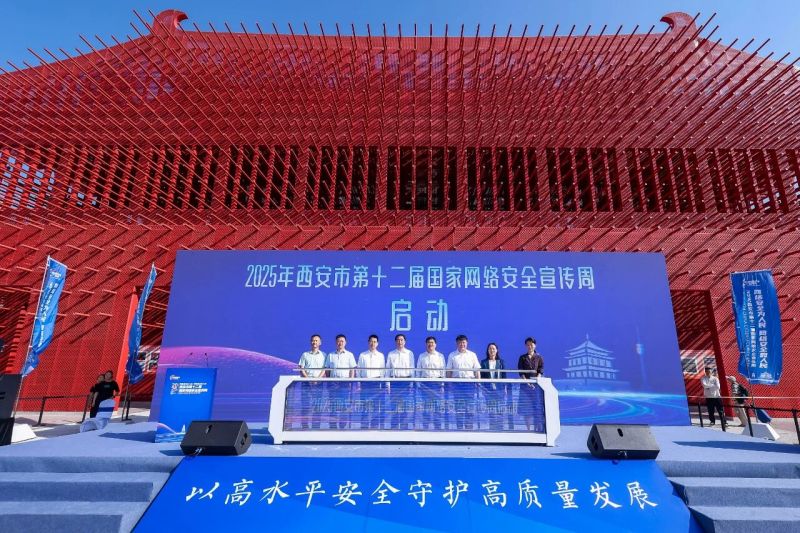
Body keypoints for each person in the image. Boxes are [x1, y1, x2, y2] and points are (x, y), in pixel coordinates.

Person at [447, 334, 480, 430]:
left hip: (469, 384)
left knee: (470, 407)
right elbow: (449, 371)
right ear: (457, 344)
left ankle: (469, 428)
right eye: (460, 342)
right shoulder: (452, 355)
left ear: (467, 343)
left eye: (463, 342)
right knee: (459, 407)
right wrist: (449, 384)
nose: (462, 344)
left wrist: (478, 382)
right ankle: (460, 428)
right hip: (457, 384)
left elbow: (477, 370)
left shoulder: (472, 355)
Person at [325, 334, 357, 429]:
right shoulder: (331, 355)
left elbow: (352, 369)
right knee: (333, 405)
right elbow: (327, 369)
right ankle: (333, 426)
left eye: (342, 341)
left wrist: (350, 381)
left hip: (344, 383)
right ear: (336, 342)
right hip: (333, 383)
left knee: (344, 405)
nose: (340, 343)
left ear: (345, 343)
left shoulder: (349, 355)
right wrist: (330, 380)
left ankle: (342, 426)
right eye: (338, 341)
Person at [387, 333, 416, 429]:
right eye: (398, 340)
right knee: (394, 406)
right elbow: (388, 370)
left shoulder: (409, 353)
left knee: (404, 407)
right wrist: (388, 384)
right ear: (395, 342)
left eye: (401, 340)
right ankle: (393, 428)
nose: (400, 342)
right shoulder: (391, 354)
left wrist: (411, 384)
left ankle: (404, 428)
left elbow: (412, 369)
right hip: (395, 382)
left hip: (406, 382)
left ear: (405, 341)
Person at [417, 336, 446, 429]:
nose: (430, 344)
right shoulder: (422, 356)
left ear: (435, 344)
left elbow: (443, 371)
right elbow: (418, 371)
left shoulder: (440, 356)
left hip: (436, 383)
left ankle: (438, 427)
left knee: (437, 406)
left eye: (432, 342)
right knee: (426, 406)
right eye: (429, 342)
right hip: (425, 383)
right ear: (426, 344)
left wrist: (442, 385)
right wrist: (418, 384)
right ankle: (425, 427)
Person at [297, 334, 326, 428]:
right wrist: (308, 379)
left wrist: (318, 379)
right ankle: (304, 426)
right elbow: (301, 368)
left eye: (316, 340)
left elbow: (324, 369)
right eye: (313, 340)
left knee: (317, 406)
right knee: (306, 405)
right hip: (306, 383)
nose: (314, 342)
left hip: (319, 383)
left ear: (320, 343)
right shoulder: (305, 354)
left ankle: (316, 426)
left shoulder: (324, 355)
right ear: (310, 342)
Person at [480, 343, 511, 430]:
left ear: (497, 350)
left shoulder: (501, 362)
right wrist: (483, 389)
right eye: (490, 349)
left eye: (493, 349)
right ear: (487, 351)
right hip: (488, 390)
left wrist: (505, 388)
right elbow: (481, 376)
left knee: (500, 410)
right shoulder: (484, 362)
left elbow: (504, 376)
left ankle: (500, 429)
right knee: (491, 411)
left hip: (500, 389)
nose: (492, 350)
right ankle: (493, 429)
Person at [357, 334, 385, 429]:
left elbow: (383, 371)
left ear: (377, 343)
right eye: (371, 341)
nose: (373, 343)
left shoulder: (381, 356)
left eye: (374, 342)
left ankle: (375, 427)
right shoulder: (362, 355)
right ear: (368, 342)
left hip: (376, 383)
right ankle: (364, 427)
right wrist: (359, 384)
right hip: (365, 383)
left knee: (376, 406)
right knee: (365, 406)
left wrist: (382, 384)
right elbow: (359, 371)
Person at [518, 337, 545, 431]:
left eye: (531, 344)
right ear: (526, 346)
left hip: (536, 387)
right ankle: (528, 429)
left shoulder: (539, 357)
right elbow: (520, 371)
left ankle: (537, 428)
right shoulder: (522, 357)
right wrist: (527, 382)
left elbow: (541, 370)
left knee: (537, 408)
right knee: (527, 409)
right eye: (528, 345)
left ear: (535, 345)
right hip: (525, 387)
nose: (530, 346)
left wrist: (537, 380)